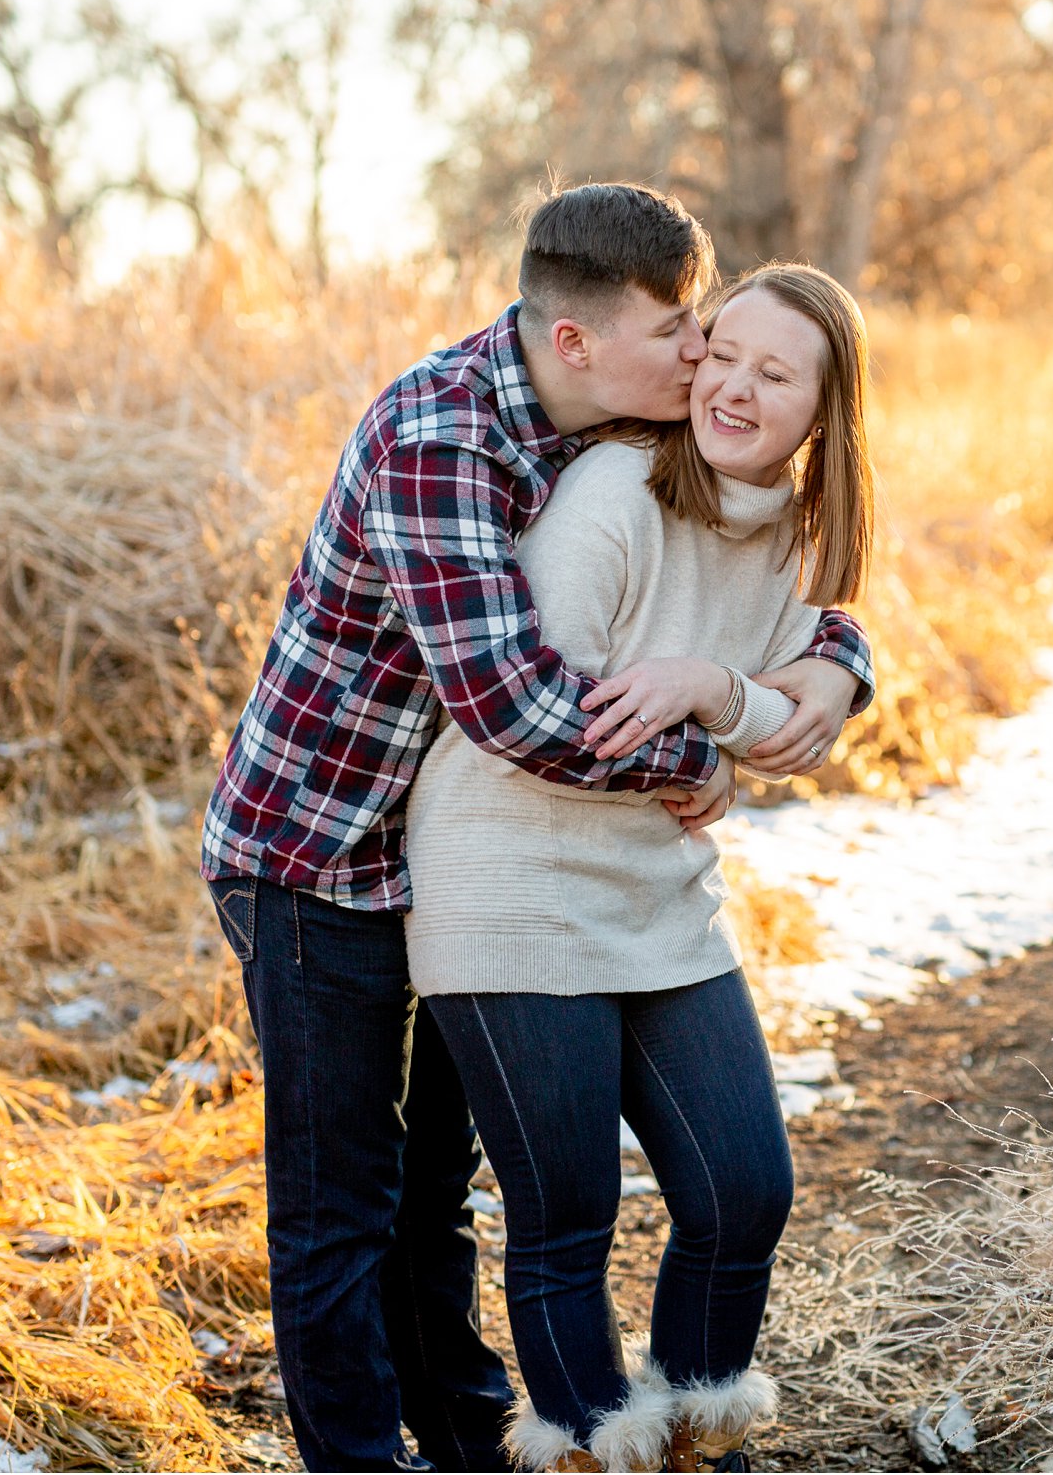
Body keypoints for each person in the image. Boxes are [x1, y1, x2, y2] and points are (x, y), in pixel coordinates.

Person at [200, 187, 877, 1472]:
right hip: (320, 849)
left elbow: (765, 544)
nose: (703, 357)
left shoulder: (611, 411)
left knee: (433, 1195)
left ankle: (468, 1435)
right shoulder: (438, 437)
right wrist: (707, 753)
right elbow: (519, 707)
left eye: (714, 330)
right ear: (577, 341)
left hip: (442, 848)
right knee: (341, 1202)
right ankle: (357, 1456)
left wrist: (839, 660)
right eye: (685, 329)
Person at [403, 264, 876, 1473]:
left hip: (656, 890)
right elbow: (553, 712)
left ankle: (693, 1439)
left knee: (741, 1192)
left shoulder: (791, 540)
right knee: (565, 1214)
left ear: (822, 415)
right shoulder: (615, 488)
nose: (729, 385)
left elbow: (784, 725)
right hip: (509, 881)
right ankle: (588, 1450)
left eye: (774, 375)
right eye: (720, 352)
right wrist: (707, 748)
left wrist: (727, 697)